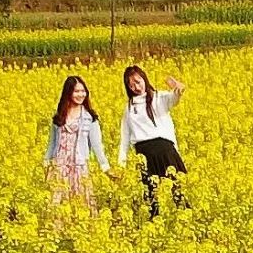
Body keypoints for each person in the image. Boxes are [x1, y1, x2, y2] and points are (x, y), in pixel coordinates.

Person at [119, 66, 188, 215]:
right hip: (143, 156)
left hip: (165, 151)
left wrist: (178, 88)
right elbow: (125, 137)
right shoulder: (129, 108)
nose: (136, 87)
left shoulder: (159, 98)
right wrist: (121, 164)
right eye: (131, 86)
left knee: (178, 195)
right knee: (152, 200)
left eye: (138, 82)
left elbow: (174, 98)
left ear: (144, 78)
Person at [44, 75, 110, 210]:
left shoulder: (89, 118)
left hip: (79, 166)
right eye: (76, 91)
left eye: (83, 91)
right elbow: (52, 143)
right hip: (59, 166)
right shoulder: (59, 117)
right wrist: (46, 162)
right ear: (68, 93)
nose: (81, 95)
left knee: (81, 203)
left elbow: (97, 146)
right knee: (58, 205)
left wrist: (106, 168)